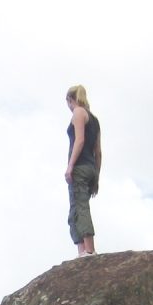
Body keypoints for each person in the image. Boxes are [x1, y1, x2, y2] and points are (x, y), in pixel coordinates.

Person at [64, 84, 101, 256]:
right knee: (75, 208)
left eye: (68, 103)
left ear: (71, 100)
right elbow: (98, 152)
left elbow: (79, 141)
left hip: (80, 167)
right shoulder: (94, 120)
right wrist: (97, 178)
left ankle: (89, 250)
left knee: (80, 206)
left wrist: (70, 166)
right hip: (91, 168)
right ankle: (82, 252)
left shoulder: (78, 113)